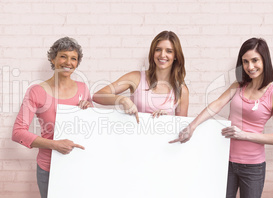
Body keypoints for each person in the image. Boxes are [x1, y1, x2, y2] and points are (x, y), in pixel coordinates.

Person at [169, 38, 273, 198]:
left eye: (255, 60)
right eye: (245, 62)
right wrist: (192, 126)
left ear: (265, 60)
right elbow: (216, 105)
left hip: (253, 167)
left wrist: (244, 135)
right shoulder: (238, 86)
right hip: (225, 160)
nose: (250, 67)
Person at [12, 37, 92, 198]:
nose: (68, 62)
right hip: (49, 168)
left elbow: (90, 130)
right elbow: (18, 132)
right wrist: (54, 145)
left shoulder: (83, 88)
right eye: (63, 56)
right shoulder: (37, 91)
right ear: (53, 59)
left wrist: (90, 111)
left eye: (73, 58)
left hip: (80, 166)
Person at [93, 30, 189, 121]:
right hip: (134, 136)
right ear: (153, 53)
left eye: (169, 51)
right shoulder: (136, 78)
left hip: (163, 137)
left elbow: (181, 128)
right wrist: (122, 100)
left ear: (176, 56)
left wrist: (167, 119)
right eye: (158, 50)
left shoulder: (181, 90)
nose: (162, 55)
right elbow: (97, 96)